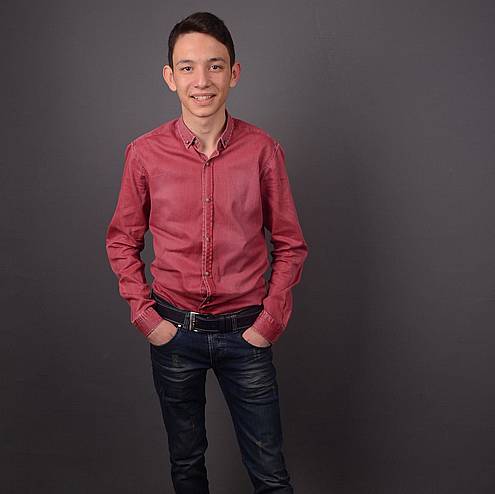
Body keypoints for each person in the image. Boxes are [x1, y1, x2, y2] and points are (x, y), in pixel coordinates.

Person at [105, 11, 308, 494]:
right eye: (188, 67)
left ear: (234, 73)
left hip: (247, 334)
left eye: (215, 66)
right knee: (187, 466)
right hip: (174, 333)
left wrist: (270, 321)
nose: (202, 80)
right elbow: (122, 240)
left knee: (271, 475)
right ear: (169, 76)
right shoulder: (144, 153)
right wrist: (146, 317)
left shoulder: (263, 150)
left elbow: (289, 243)